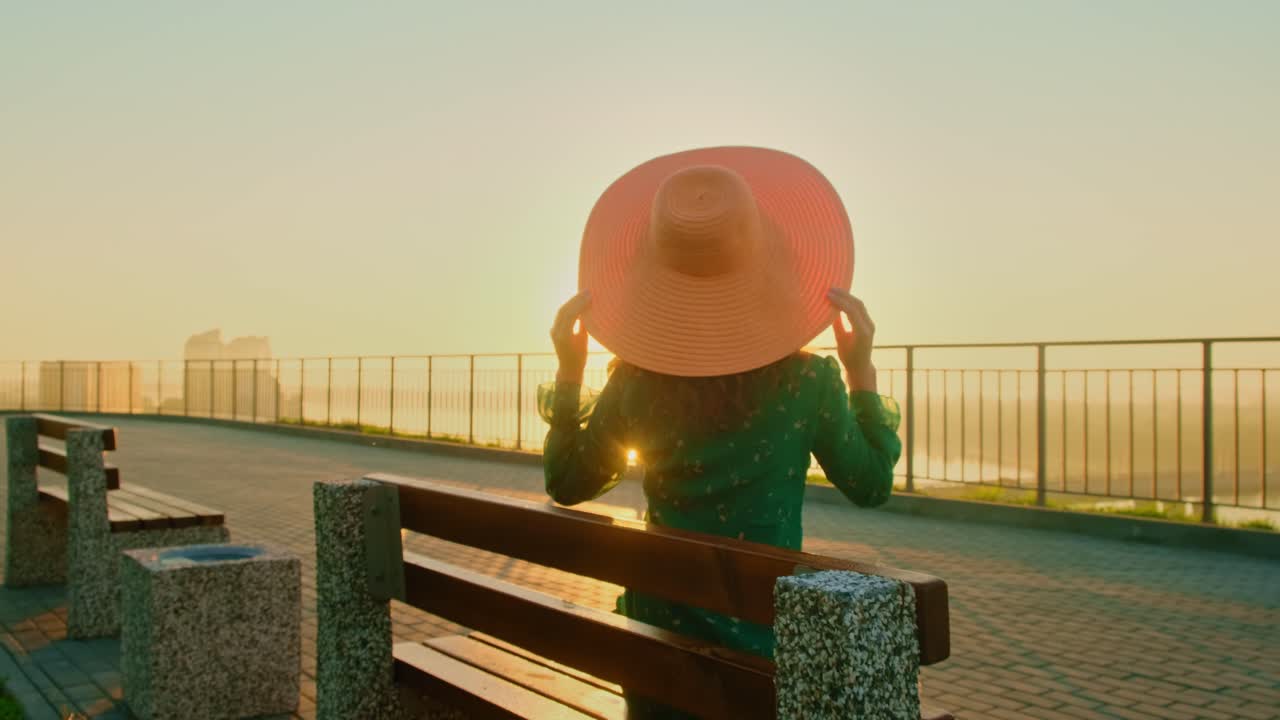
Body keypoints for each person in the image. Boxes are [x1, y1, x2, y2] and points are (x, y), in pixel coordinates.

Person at [538, 147, 902, 718]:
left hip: (655, 655)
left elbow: (565, 480)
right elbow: (872, 483)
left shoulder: (637, 384)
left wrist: (569, 370)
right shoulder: (807, 384)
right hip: (763, 659)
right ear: (774, 263)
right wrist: (861, 372)